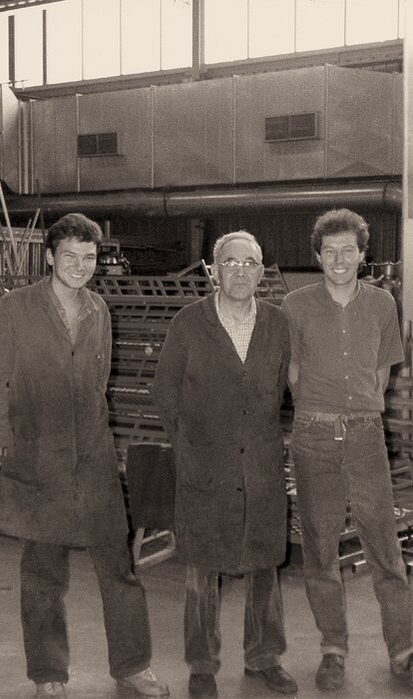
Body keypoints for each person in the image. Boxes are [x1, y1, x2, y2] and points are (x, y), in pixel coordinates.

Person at [0, 213, 169, 699]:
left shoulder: (100, 311)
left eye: (89, 257)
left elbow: (98, 388)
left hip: (93, 461)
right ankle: (48, 674)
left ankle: (133, 666)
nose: (80, 265)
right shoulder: (14, 308)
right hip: (39, 457)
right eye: (70, 256)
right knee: (42, 574)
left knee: (118, 567)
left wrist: (104, 450)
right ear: (50, 256)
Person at [153, 230, 297, 699]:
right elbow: (165, 390)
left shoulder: (277, 324)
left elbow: (287, 387)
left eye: (250, 263)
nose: (241, 271)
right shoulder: (189, 323)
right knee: (201, 571)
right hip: (205, 467)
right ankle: (201, 664)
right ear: (214, 270)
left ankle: (264, 657)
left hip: (260, 465)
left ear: (261, 269)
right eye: (230, 262)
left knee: (263, 568)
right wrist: (188, 445)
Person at [281, 208, 413, 691]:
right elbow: (292, 372)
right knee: (319, 550)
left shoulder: (382, 304)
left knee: (385, 548)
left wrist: (356, 410)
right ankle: (333, 650)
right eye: (330, 251)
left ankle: (403, 650)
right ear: (318, 255)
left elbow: (382, 373)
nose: (339, 259)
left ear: (363, 255)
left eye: (348, 250)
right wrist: (322, 409)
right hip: (313, 438)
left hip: (365, 436)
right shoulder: (294, 306)